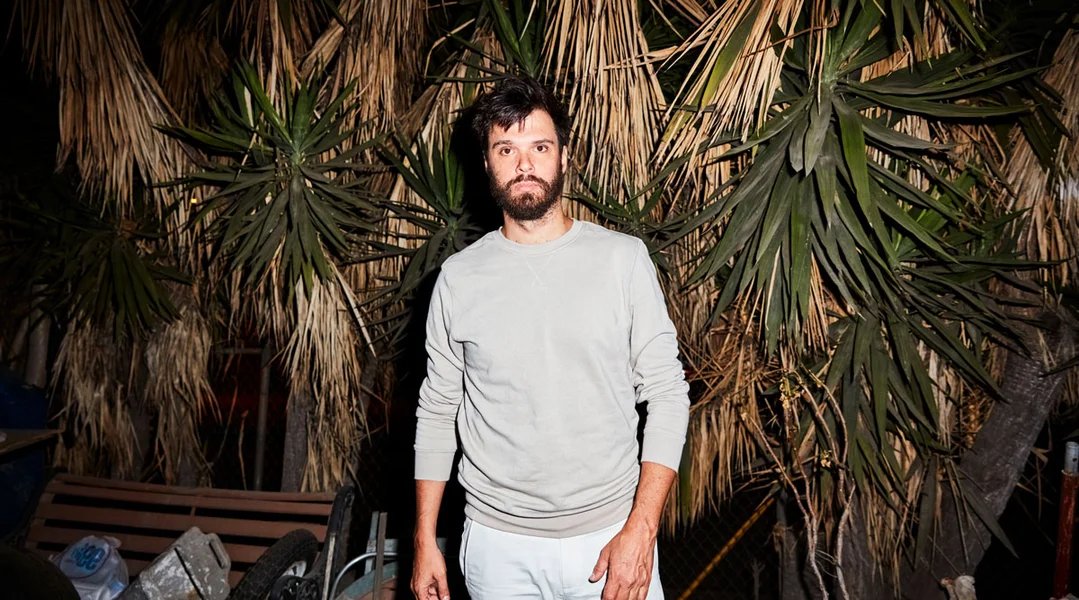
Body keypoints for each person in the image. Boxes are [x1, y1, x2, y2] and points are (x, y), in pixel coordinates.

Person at [410, 76, 691, 600]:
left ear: (564, 156)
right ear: (487, 163)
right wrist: (425, 537)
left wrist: (642, 526)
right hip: (498, 547)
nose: (524, 164)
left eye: (539, 147)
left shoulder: (622, 260)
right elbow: (438, 409)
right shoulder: (458, 278)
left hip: (612, 537)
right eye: (506, 149)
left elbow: (668, 394)